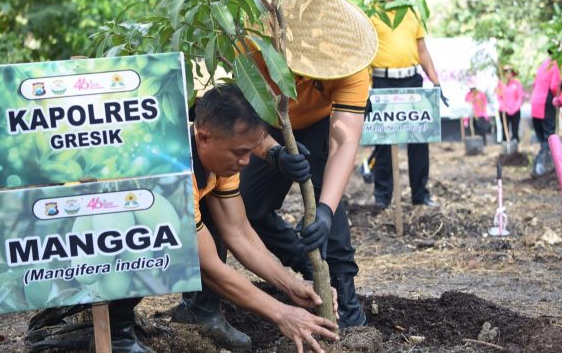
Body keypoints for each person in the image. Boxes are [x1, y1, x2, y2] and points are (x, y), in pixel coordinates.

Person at [28, 86, 339, 353]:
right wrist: (282, 314)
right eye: (240, 152)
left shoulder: (221, 162)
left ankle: (197, 313)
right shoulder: (173, 170)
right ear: (203, 137)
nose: (246, 162)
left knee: (208, 222)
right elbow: (207, 266)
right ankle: (114, 330)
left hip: (108, 229)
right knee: (147, 232)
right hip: (68, 239)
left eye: (250, 151)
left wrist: (290, 285)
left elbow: (239, 231)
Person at [230, 0, 375, 331]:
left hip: (323, 123)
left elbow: (344, 141)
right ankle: (304, 262)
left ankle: (344, 298)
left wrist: (323, 211)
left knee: (330, 205)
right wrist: (273, 151)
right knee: (245, 206)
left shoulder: (351, 65)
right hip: (263, 122)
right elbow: (235, 115)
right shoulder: (250, 46)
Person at [366, 0, 443, 209]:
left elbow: (422, 51)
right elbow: (366, 54)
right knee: (383, 142)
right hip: (381, 82)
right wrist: (366, 88)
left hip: (412, 81)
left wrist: (436, 81)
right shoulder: (371, 14)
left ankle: (420, 194)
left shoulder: (412, 12)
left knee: (420, 138)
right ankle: (382, 196)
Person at [530, 54, 562, 176]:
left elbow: (534, 84)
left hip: (535, 103)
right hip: (545, 103)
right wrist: (558, 96)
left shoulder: (543, 65)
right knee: (549, 137)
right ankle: (543, 166)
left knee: (543, 138)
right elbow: (554, 86)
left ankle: (539, 165)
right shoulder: (555, 66)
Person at [496, 65, 524, 142]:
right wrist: (504, 108)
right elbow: (499, 97)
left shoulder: (517, 84)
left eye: (509, 72)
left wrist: (515, 108)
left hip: (515, 111)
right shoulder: (500, 84)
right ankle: (506, 147)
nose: (508, 74)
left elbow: (520, 97)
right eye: (506, 72)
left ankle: (515, 147)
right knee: (505, 130)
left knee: (515, 129)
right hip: (504, 111)